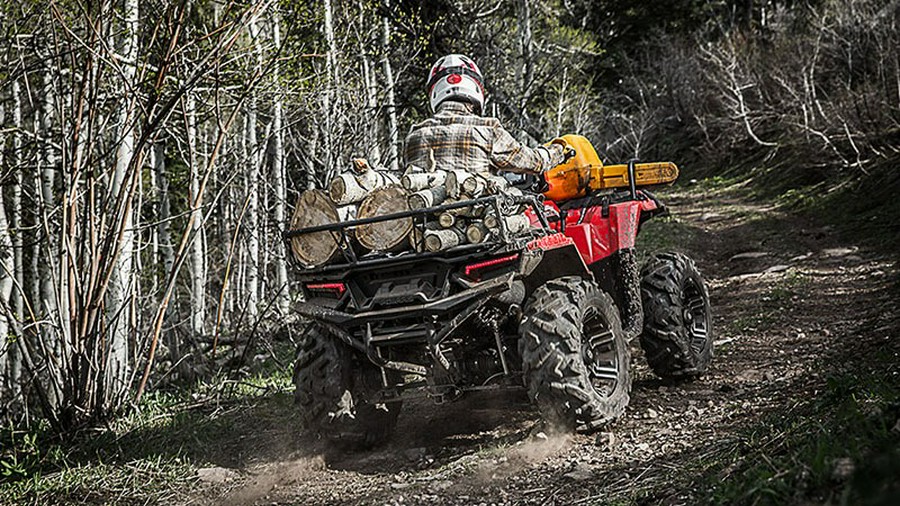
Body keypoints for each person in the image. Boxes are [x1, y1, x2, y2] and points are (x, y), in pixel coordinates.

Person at [404, 54, 566, 177]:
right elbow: (533, 162)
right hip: (479, 219)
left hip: (423, 218)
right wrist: (557, 151)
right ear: (476, 88)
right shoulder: (488, 129)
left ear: (434, 92)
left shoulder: (414, 135)